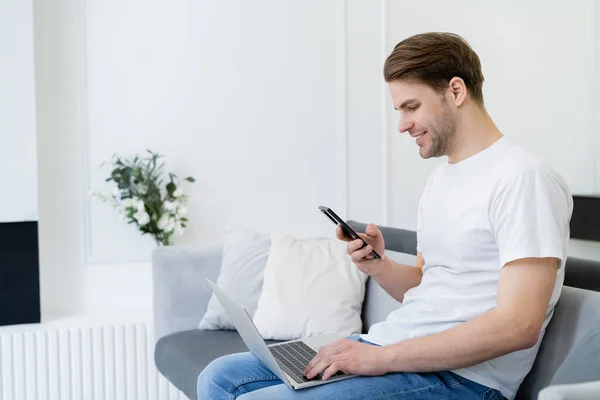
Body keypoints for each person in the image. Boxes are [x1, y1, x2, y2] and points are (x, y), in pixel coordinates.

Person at [196, 32, 573, 400]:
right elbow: (426, 286)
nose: (402, 125)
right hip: (393, 347)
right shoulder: (442, 179)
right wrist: (378, 266)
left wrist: (380, 359)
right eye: (399, 111)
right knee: (219, 377)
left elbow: (518, 325)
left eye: (412, 106)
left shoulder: (523, 179)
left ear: (456, 91)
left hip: (462, 379)